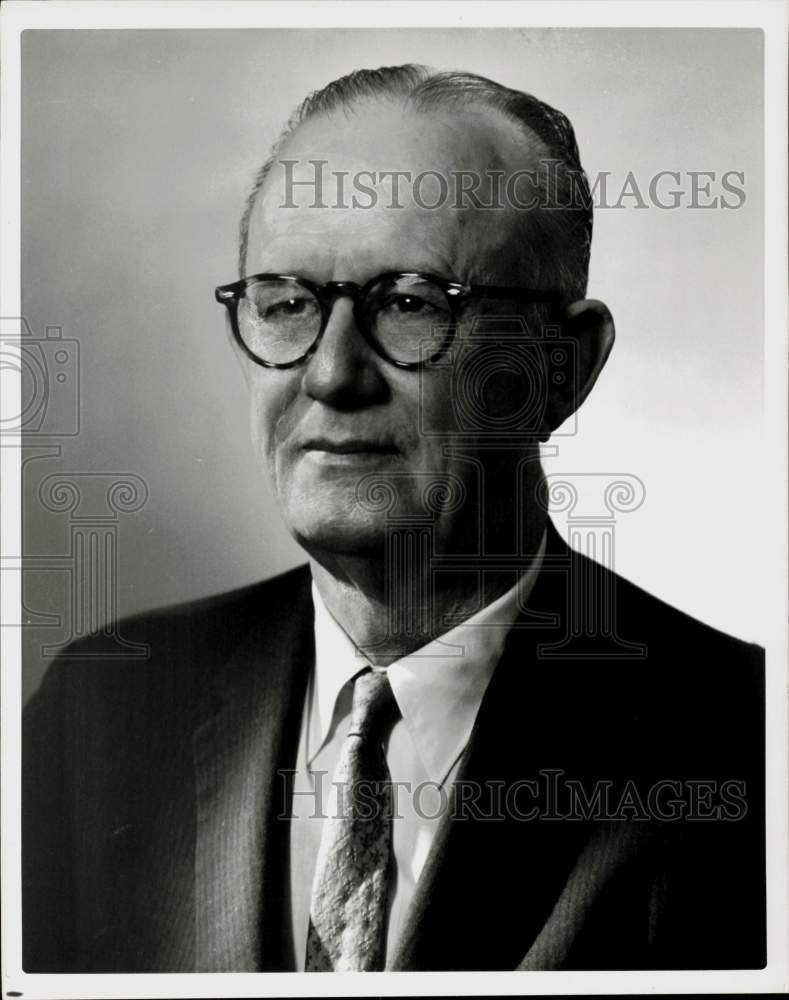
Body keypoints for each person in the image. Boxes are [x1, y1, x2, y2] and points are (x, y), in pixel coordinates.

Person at [23, 64, 765, 973]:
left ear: (561, 368)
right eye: (286, 303)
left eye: (411, 305)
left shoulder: (748, 748)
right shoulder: (99, 711)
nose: (331, 373)